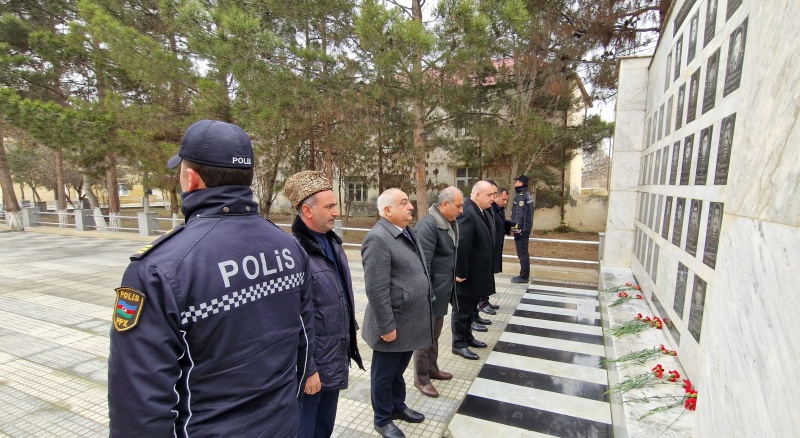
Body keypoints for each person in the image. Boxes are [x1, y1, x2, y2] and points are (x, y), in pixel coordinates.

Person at [108, 120, 314, 437]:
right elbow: (304, 343)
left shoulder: (158, 269)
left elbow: (138, 399)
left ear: (191, 179)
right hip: (282, 425)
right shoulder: (289, 248)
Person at [284, 170, 365, 438]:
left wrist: (349, 336)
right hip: (312, 366)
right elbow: (292, 319)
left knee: (324, 428)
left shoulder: (333, 243)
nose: (336, 212)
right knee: (304, 430)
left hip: (334, 355)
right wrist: (308, 370)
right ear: (307, 210)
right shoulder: (293, 252)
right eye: (329, 206)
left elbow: (340, 298)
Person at [362, 188, 433, 438]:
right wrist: (386, 326)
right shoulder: (378, 238)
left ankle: (397, 406)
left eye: (409, 202)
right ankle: (382, 419)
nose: (411, 206)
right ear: (388, 210)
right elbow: (376, 288)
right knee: (384, 375)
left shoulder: (406, 231)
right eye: (404, 203)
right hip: (392, 322)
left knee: (397, 372)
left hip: (408, 320)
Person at [412, 186, 463, 398]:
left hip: (442, 290)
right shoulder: (429, 225)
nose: (461, 210)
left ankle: (432, 368)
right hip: (430, 293)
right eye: (458, 206)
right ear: (444, 204)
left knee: (434, 334)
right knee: (424, 338)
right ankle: (421, 379)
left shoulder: (448, 221)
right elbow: (423, 265)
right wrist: (428, 294)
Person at [452, 181, 496, 360]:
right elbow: (462, 245)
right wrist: (460, 272)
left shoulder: (480, 210)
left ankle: (468, 337)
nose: (492, 198)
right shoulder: (468, 212)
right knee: (462, 311)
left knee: (470, 309)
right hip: (467, 275)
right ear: (477, 195)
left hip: (477, 273)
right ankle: (459, 344)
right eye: (489, 195)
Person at [510, 175, 534, 283]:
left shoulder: (521, 196)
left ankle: (523, 277)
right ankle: (524, 275)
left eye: (517, 181)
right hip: (526, 228)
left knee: (522, 253)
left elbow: (519, 215)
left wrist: (516, 229)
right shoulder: (527, 194)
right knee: (524, 252)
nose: (515, 183)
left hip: (521, 229)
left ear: (521, 183)